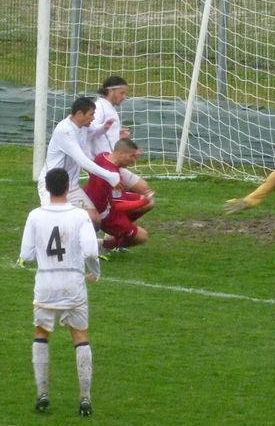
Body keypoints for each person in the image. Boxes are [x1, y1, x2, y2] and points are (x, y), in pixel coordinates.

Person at [19, 168, 100, 416]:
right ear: (68, 187)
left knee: (41, 333)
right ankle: (85, 398)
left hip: (45, 283)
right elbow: (90, 251)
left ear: (48, 187)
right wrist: (95, 272)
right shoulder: (79, 215)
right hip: (73, 282)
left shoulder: (35, 215)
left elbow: (26, 255)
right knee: (80, 336)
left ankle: (42, 394)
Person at [37, 96, 120, 228]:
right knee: (53, 224)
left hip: (72, 187)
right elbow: (82, 160)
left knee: (94, 219)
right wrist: (109, 175)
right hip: (52, 186)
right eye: (91, 114)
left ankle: (86, 247)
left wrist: (104, 127)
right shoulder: (65, 130)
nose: (93, 118)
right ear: (80, 113)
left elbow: (94, 130)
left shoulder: (83, 125)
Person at [88, 75, 155, 207]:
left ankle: (118, 223)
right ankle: (119, 225)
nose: (124, 96)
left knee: (120, 200)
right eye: (122, 92)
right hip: (105, 164)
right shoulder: (99, 107)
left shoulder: (108, 108)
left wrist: (117, 134)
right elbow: (90, 129)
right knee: (144, 192)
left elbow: (102, 134)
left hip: (111, 163)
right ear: (110, 91)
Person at [83, 138, 152, 252]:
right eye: (132, 156)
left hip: (98, 200)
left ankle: (118, 232)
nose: (134, 160)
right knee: (142, 237)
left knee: (150, 202)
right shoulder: (113, 176)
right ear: (120, 153)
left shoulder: (103, 156)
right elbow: (118, 205)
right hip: (104, 213)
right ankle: (105, 245)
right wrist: (142, 202)